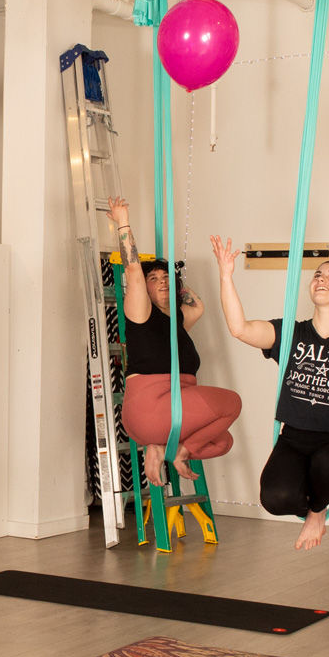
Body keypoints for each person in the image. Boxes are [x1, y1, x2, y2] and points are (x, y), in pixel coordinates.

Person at [213, 237, 329, 550]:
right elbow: (240, 328)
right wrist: (225, 275)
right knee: (274, 498)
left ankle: (317, 512)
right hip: (295, 440)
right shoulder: (291, 334)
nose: (321, 279)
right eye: (317, 275)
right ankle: (315, 505)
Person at [107, 197, 241, 488]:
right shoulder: (140, 314)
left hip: (168, 416)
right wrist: (122, 220)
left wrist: (173, 279)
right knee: (232, 403)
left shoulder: (177, 322)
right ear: (144, 288)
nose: (162, 281)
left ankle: (159, 447)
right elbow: (132, 269)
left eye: (166, 278)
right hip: (151, 406)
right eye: (153, 279)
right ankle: (180, 452)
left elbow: (198, 306)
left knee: (223, 441)